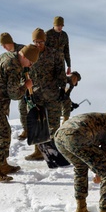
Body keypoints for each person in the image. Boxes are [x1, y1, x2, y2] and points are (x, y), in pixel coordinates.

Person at [0, 43, 39, 182]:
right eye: (30, 62)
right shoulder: (14, 67)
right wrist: (26, 86)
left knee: (5, 131)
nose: (30, 66)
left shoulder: (10, 56)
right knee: (3, 133)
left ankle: (3, 164)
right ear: (23, 55)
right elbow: (14, 95)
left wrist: (24, 74)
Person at [24, 28, 67, 161]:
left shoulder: (54, 54)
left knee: (54, 123)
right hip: (35, 94)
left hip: (52, 93)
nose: (38, 44)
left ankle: (56, 151)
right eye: (36, 41)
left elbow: (61, 72)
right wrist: (25, 89)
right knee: (37, 124)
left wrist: (62, 88)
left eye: (41, 41)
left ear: (45, 40)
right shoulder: (29, 54)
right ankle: (38, 151)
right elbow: (23, 72)